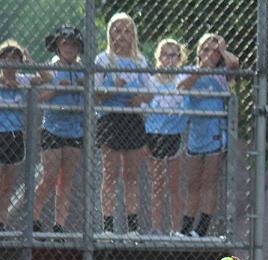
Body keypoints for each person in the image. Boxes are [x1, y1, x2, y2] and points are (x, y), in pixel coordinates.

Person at [0, 40, 48, 231]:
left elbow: (45, 79)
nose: (11, 63)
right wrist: (2, 81)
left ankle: (1, 222)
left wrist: (32, 63)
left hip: (14, 136)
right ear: (0, 60)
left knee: (7, 184)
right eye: (7, 58)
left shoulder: (22, 80)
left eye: (15, 59)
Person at [178, 32, 239, 237]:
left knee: (209, 181)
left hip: (216, 133)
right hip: (196, 134)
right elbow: (182, 86)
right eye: (205, 49)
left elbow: (235, 63)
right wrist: (202, 67)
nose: (209, 54)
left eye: (214, 52)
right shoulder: (190, 71)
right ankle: (185, 228)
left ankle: (201, 229)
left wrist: (221, 48)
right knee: (193, 182)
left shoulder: (222, 73)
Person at [95, 12, 151, 233]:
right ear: (110, 33)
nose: (122, 35)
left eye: (127, 30)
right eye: (117, 30)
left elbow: (150, 92)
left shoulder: (140, 61)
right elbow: (96, 91)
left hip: (132, 118)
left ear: (133, 35)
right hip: (110, 118)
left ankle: (132, 228)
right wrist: (113, 87)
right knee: (110, 173)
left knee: (131, 175)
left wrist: (140, 98)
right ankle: (108, 226)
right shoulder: (103, 60)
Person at [33, 25, 85, 233]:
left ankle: (59, 224)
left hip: (75, 129)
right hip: (53, 127)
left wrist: (83, 85)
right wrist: (56, 87)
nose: (69, 48)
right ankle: (34, 217)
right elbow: (39, 97)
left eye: (73, 44)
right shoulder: (50, 69)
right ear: (57, 46)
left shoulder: (83, 70)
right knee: (50, 176)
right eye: (65, 44)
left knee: (66, 180)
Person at [145, 39, 188, 235]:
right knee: (156, 185)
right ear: (159, 58)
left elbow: (185, 107)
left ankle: (176, 229)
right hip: (154, 135)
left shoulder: (182, 80)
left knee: (174, 185)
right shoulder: (151, 81)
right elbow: (144, 108)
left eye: (174, 55)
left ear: (179, 59)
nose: (169, 59)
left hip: (174, 135)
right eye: (166, 55)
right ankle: (156, 227)